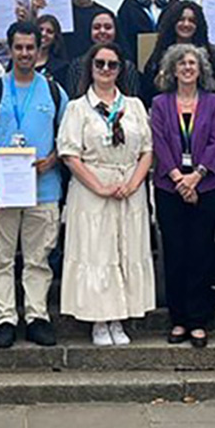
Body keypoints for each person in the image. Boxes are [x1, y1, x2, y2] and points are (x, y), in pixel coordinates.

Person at [0, 21, 70, 348]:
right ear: (10, 49)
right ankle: (5, 318)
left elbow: (67, 140)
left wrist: (51, 160)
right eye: (19, 47)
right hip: (1, 190)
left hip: (43, 189)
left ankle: (36, 316)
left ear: (39, 48)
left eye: (30, 47)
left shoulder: (54, 92)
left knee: (38, 258)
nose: (25, 53)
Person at [60, 42, 156, 345]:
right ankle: (98, 319)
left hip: (129, 187)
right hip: (93, 188)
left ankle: (120, 317)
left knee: (126, 250)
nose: (105, 69)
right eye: (99, 63)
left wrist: (134, 183)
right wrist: (99, 187)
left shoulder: (135, 106)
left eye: (112, 64)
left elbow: (147, 150)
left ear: (120, 69)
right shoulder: (77, 108)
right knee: (96, 252)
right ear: (90, 67)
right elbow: (69, 154)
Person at [148, 43, 215, 349]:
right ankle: (178, 318)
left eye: (192, 63)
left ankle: (198, 319)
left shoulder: (214, 103)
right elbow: (159, 141)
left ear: (201, 69)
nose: (187, 68)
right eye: (181, 63)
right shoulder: (160, 103)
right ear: (173, 70)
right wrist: (179, 178)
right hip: (170, 186)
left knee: (201, 252)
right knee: (175, 252)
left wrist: (197, 176)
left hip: (205, 186)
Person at [141, 0, 215, 104]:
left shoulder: (211, 55)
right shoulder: (158, 56)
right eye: (181, 20)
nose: (186, 24)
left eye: (192, 21)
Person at [65, 10, 141, 98]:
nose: (102, 31)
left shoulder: (128, 67)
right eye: (96, 27)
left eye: (108, 27)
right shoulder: (77, 66)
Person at [34, 14, 70, 87]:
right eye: (40, 29)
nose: (44, 34)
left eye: (49, 32)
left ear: (55, 38)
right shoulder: (19, 60)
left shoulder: (61, 67)